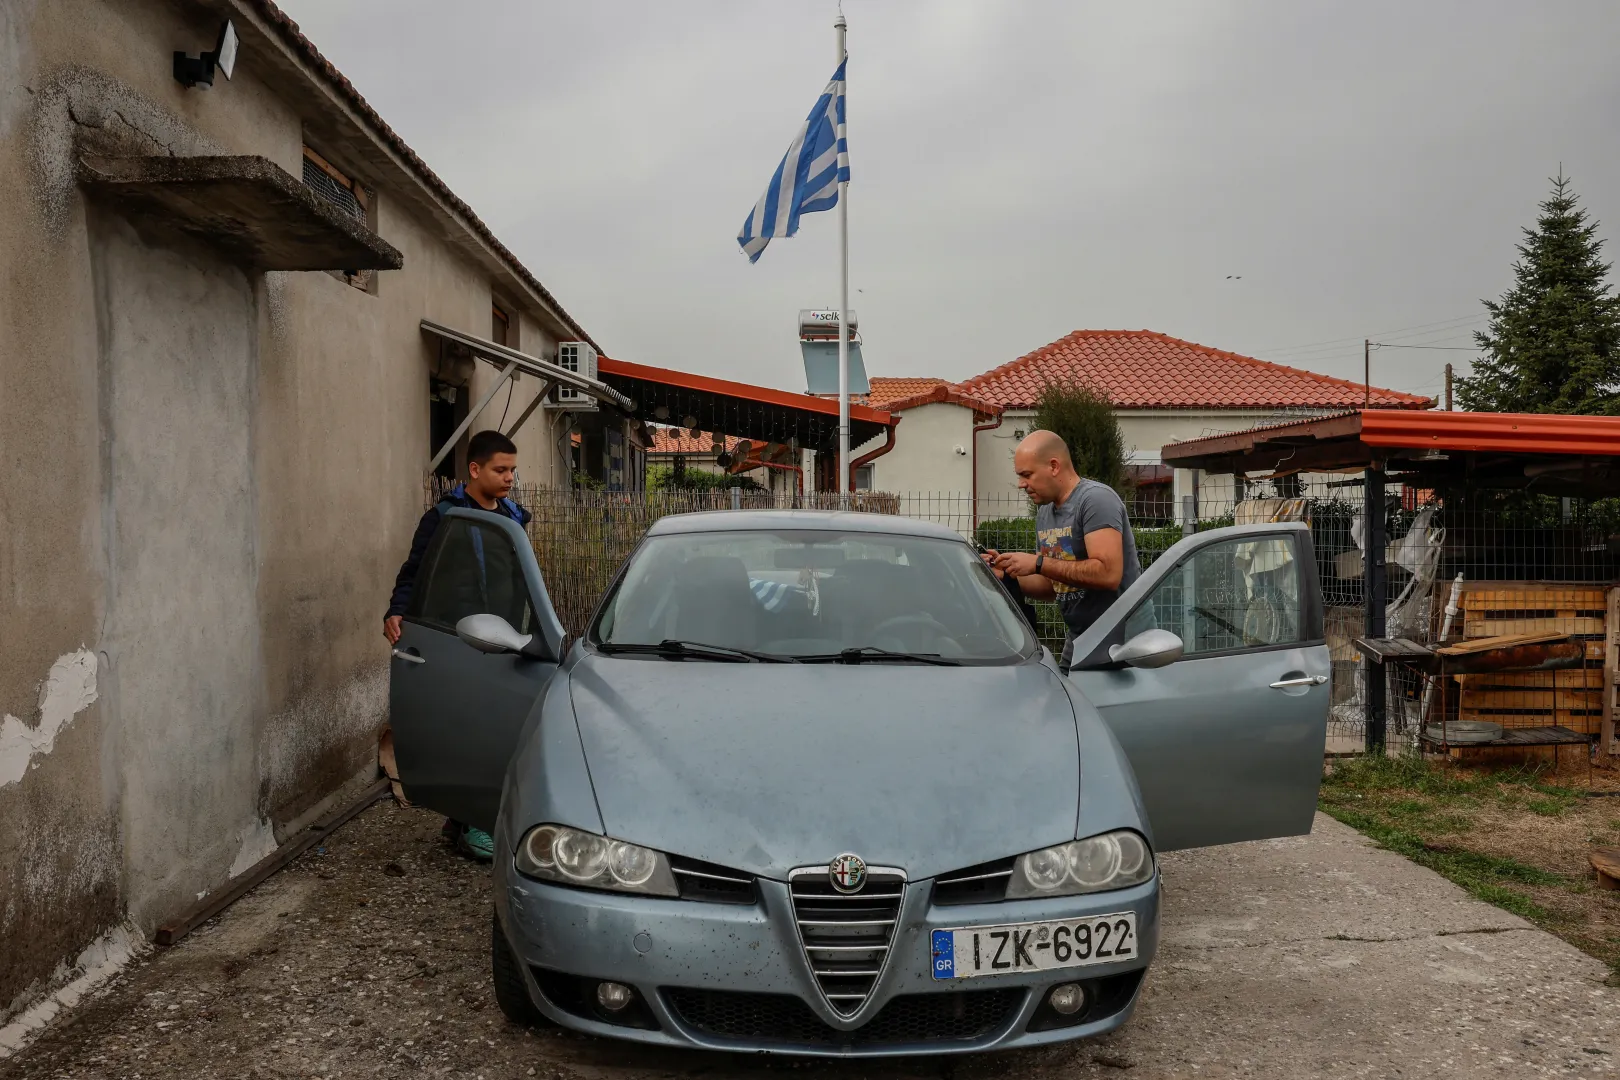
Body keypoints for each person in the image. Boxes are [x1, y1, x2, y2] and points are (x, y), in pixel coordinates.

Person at [384, 429, 530, 862]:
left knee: (496, 725)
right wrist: (397, 610)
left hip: (503, 639)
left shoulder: (514, 518)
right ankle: (472, 822)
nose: (508, 478)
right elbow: (414, 571)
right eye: (500, 470)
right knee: (466, 727)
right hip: (457, 640)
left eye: (512, 470)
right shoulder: (446, 517)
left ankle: (464, 817)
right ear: (475, 469)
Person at [986, 430, 1141, 671]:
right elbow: (1053, 586)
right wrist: (1006, 574)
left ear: (1054, 466)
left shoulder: (1096, 501)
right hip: (1080, 641)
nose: (1021, 484)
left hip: (1120, 645)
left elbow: (1108, 574)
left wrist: (1038, 563)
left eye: (1027, 475)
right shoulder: (1046, 514)